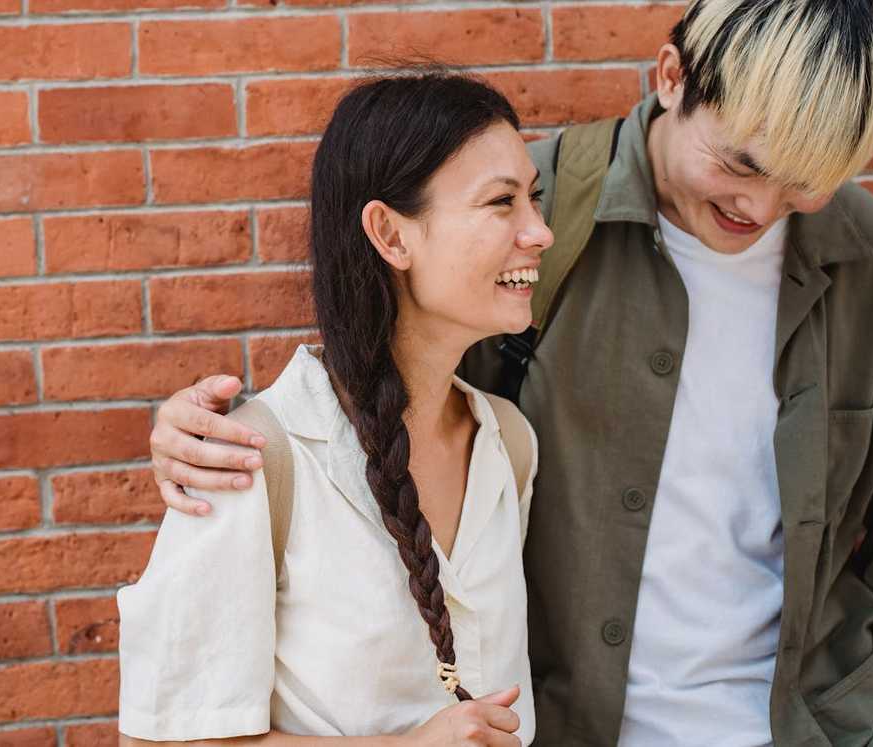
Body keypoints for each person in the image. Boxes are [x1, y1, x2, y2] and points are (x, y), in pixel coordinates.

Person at [144, 1, 873, 745]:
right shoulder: (532, 218)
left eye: (807, 186)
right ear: (670, 76)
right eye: (742, 165)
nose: (761, 211)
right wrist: (217, 432)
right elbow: (381, 378)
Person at [118, 71, 554, 746]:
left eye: (536, 198)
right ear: (391, 235)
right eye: (502, 203)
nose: (540, 232)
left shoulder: (508, 444)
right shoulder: (255, 458)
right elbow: (159, 739)